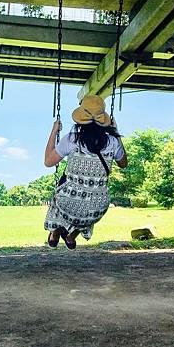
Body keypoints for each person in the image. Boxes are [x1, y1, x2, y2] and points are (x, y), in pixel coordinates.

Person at [43, 95, 127, 250]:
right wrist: (116, 133)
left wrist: (54, 131)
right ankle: (71, 236)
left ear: (80, 119)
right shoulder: (112, 142)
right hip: (98, 207)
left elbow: (48, 162)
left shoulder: (71, 139)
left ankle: (55, 233)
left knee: (64, 197)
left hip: (69, 201)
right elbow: (123, 164)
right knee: (87, 207)